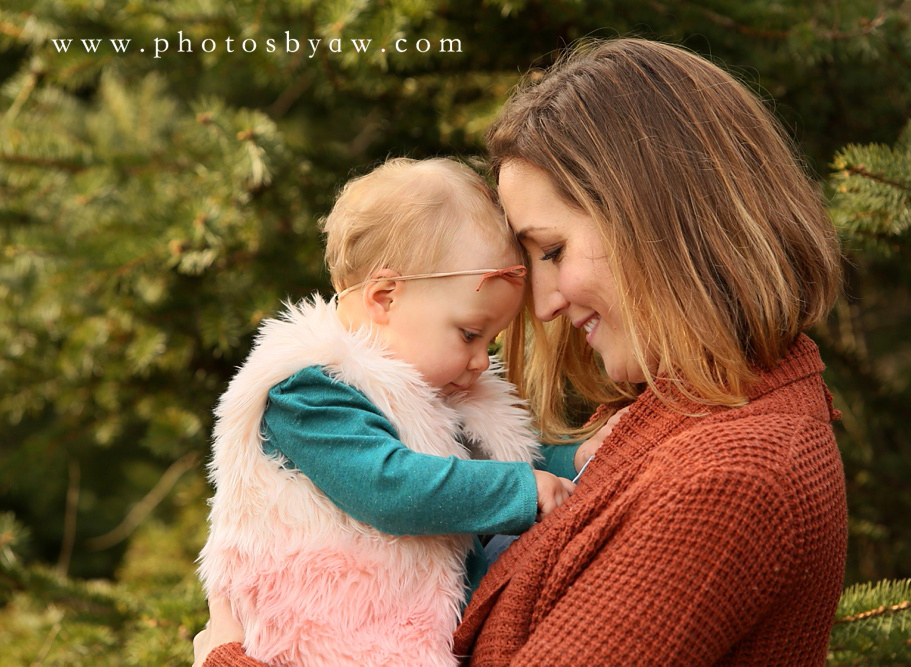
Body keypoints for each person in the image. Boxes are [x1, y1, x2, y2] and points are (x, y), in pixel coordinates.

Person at [195, 37, 848, 667]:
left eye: (554, 251)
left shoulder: (732, 481)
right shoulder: (683, 418)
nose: (543, 307)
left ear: (654, 220)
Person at [197, 157, 590, 667]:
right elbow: (387, 487)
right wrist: (522, 490)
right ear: (385, 297)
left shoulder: (440, 389)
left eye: (491, 340)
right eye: (470, 334)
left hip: (405, 634)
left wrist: (580, 459)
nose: (480, 360)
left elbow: (512, 461)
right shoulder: (312, 389)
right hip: (322, 633)